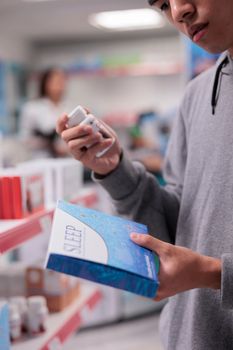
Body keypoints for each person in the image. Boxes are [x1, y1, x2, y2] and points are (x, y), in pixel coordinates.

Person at [56, 1, 233, 349]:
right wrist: (116, 169)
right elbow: (179, 226)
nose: (179, 11)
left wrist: (215, 274)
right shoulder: (197, 95)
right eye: (163, 5)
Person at [20, 68, 68, 158]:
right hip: (42, 160)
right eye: (56, 81)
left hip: (66, 159)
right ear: (45, 83)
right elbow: (25, 138)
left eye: (62, 80)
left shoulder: (69, 106)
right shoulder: (32, 108)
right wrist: (49, 144)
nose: (60, 84)